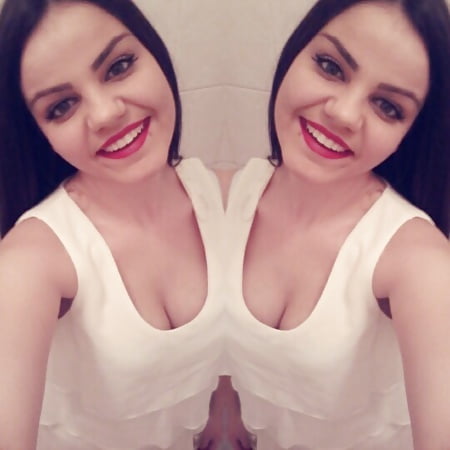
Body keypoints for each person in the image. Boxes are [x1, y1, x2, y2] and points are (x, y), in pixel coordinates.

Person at [224, 0, 450, 448]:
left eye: (387, 106)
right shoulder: (231, 189)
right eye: (330, 66)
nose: (344, 114)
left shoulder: (419, 261)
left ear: (410, 131)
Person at [0, 0, 225, 448]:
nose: (105, 114)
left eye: (119, 66)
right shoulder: (31, 261)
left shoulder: (220, 190)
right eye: (62, 106)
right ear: (39, 130)